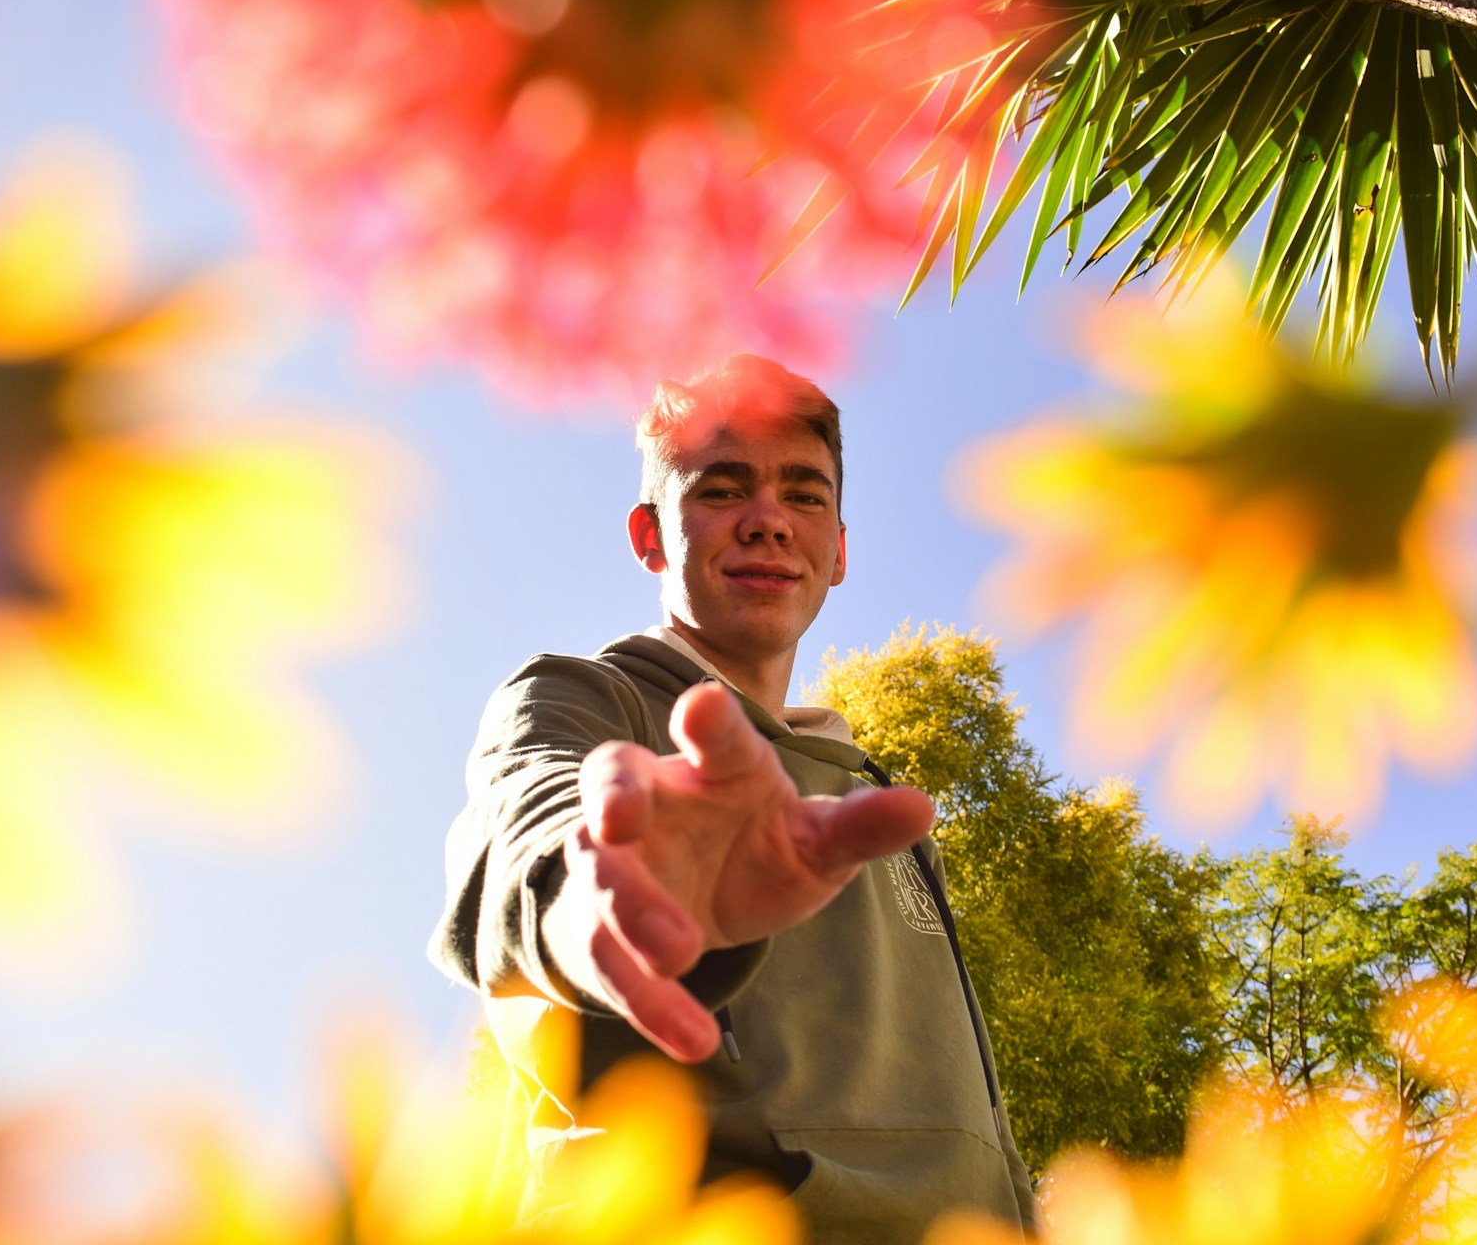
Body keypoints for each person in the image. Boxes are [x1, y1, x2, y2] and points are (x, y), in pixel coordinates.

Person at [429, 355, 1036, 1243]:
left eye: (804, 494)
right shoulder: (584, 699)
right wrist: (609, 893)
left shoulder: (873, 804)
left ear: (838, 550)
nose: (767, 523)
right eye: (722, 491)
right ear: (648, 536)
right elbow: (527, 845)